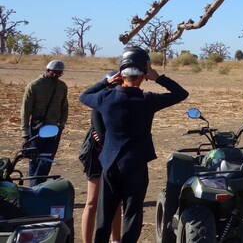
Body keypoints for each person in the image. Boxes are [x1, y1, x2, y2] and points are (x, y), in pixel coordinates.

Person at [80, 46, 188, 243]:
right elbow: (181, 94)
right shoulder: (147, 100)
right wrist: (159, 78)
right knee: (132, 213)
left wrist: (105, 82)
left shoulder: (105, 97)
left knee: (104, 215)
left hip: (109, 163)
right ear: (143, 75)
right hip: (136, 164)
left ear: (121, 74)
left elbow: (84, 96)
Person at [21, 60, 69, 185]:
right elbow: (25, 111)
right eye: (55, 73)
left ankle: (37, 186)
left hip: (55, 129)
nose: (57, 76)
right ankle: (34, 187)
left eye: (60, 73)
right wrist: (25, 132)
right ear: (47, 70)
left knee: (47, 159)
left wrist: (62, 125)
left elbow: (64, 107)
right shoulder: (34, 86)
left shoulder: (62, 86)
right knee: (34, 159)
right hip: (37, 129)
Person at [80, 105, 122, 243]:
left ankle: (116, 240)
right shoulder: (101, 101)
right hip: (98, 156)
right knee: (92, 202)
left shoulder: (122, 99)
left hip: (116, 156)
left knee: (116, 201)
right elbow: (99, 130)